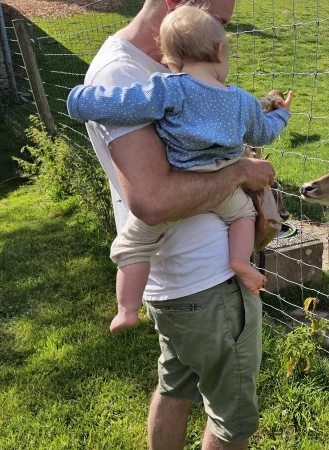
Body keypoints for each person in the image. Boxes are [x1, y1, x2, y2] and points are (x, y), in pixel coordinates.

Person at [78, 0, 271, 448]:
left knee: (176, 387)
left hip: (180, 285)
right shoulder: (122, 75)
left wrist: (257, 111)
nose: (220, 40)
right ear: (174, 5)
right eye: (218, 24)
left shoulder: (163, 74)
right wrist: (241, 171)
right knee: (232, 421)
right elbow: (152, 200)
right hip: (207, 284)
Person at [67, 4, 292, 334]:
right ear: (219, 50)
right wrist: (281, 115)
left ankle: (127, 309)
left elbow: (121, 104)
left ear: (170, 58)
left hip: (187, 178)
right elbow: (264, 133)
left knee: (131, 247)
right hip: (222, 187)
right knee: (243, 216)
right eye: (219, 24)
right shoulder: (241, 100)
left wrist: (79, 100)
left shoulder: (165, 87)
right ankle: (241, 262)